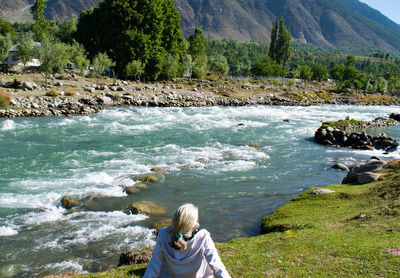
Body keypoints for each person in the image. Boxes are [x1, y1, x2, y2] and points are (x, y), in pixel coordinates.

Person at [143, 203, 231, 278]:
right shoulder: (203, 237)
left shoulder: (163, 234)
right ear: (193, 227)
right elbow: (216, 265)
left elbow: (154, 265)